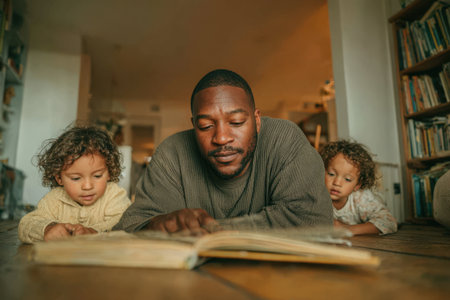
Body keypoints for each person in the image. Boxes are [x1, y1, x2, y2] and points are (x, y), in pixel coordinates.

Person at [114, 69, 332, 234]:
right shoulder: (171, 154)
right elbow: (130, 227)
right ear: (193, 125)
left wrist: (212, 232)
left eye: (236, 122)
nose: (221, 138)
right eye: (206, 126)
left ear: (257, 120)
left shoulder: (284, 139)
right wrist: (159, 224)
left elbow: (311, 218)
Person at [18, 126, 131, 243]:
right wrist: (47, 229)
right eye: (76, 178)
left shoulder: (114, 195)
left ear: (109, 173)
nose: (87, 186)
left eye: (97, 176)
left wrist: (94, 232)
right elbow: (26, 225)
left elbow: (126, 225)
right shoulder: (54, 200)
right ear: (59, 178)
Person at [319, 140, 397, 235]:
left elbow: (389, 222)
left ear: (357, 185)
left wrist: (347, 229)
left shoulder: (361, 198)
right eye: (331, 174)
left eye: (347, 179)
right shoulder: (317, 195)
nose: (337, 183)